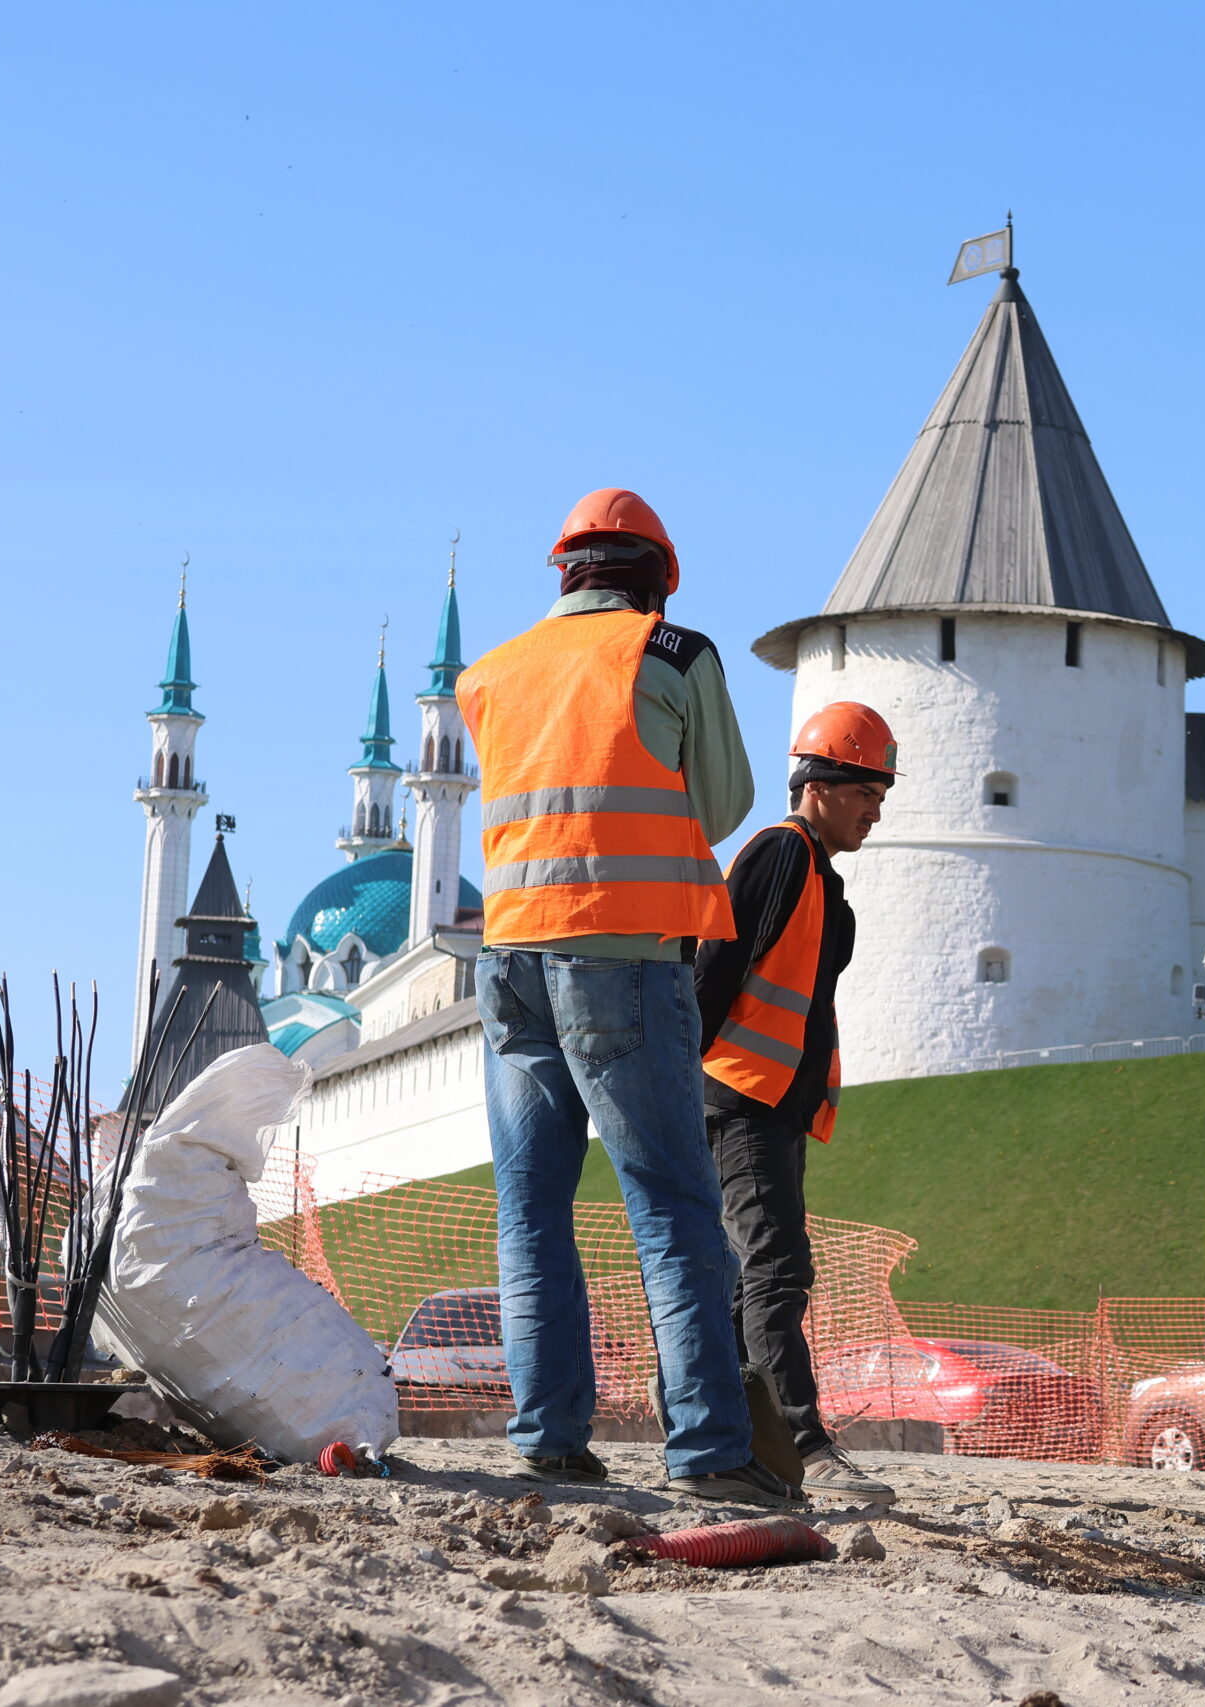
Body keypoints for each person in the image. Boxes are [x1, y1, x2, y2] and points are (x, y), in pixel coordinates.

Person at [456, 487, 799, 1507]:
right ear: (656, 578)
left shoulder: (491, 672)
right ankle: (706, 1449)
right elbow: (726, 803)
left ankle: (548, 1437)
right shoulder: (673, 651)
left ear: (565, 571)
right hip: (622, 959)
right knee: (673, 1206)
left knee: (530, 1213)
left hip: (508, 961)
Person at [695, 702, 900, 1504]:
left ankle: (727, 1417)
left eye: (881, 795)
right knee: (776, 1265)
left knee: (752, 1271)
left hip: (769, 1103)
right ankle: (804, 1445)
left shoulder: (817, 873)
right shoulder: (781, 856)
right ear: (818, 785)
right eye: (865, 792)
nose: (876, 810)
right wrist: (690, 1077)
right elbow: (715, 969)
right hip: (743, 1096)